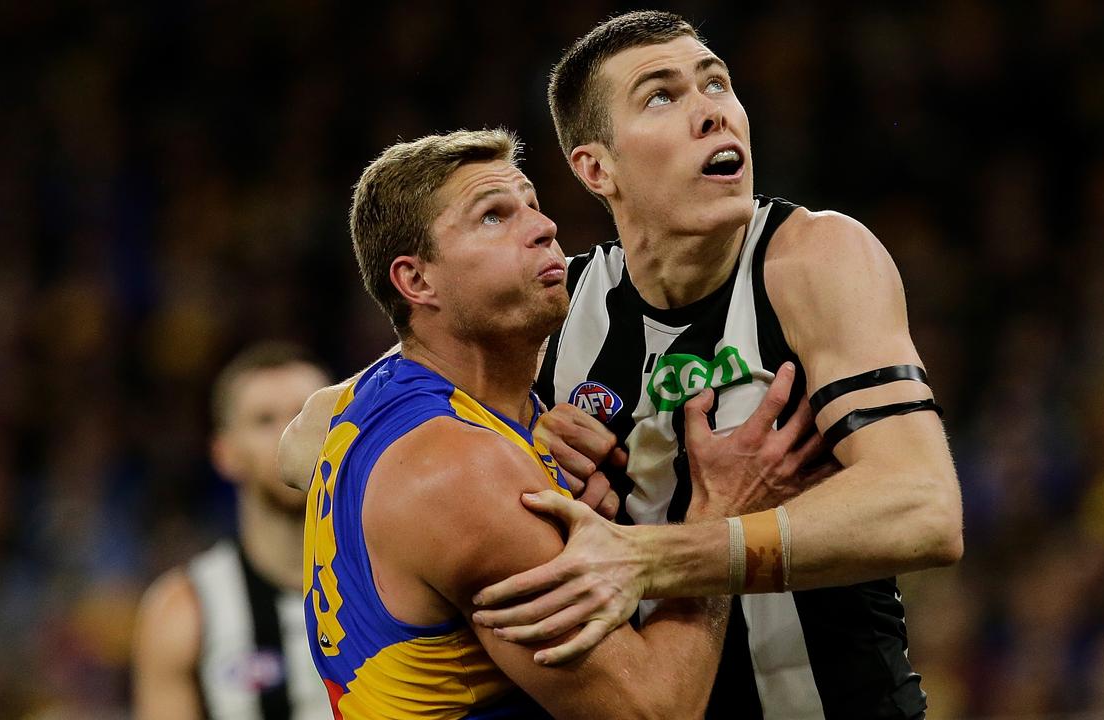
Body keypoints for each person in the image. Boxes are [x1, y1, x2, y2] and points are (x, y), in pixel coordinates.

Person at [467, 11, 965, 720]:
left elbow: (926, 510)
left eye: (716, 84)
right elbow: (315, 435)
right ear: (596, 167)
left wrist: (652, 557)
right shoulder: (557, 313)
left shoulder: (812, 259)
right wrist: (515, 453)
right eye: (661, 96)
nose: (710, 112)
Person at [298, 128, 816, 719]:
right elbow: (654, 712)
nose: (543, 229)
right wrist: (718, 512)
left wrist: (529, 434)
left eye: (532, 205)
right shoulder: (462, 469)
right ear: (416, 281)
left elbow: (296, 444)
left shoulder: (374, 403)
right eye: (493, 216)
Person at [133, 342, 332, 720]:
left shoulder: (405, 577)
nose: (289, 436)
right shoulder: (186, 611)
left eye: (304, 416)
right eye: (264, 420)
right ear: (225, 454)